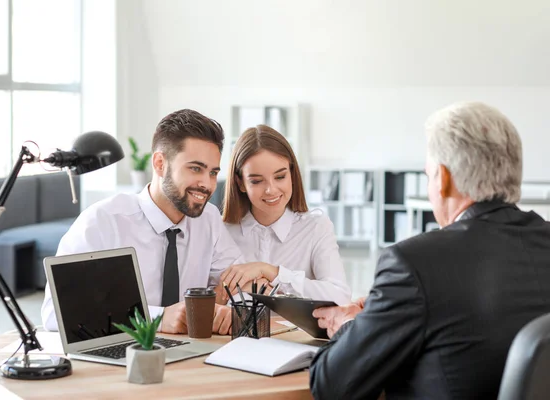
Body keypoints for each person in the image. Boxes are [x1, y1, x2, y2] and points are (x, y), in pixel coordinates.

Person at [310, 102, 550, 399]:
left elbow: (331, 387)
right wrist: (380, 315)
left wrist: (349, 327)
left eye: (428, 175)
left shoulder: (413, 264)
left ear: (443, 179)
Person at [41, 109, 243, 335]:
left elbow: (236, 283)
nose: (207, 184)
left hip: (193, 352)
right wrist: (156, 318)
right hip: (125, 354)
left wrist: (221, 308)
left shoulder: (209, 219)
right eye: (195, 168)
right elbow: (56, 314)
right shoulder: (102, 222)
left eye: (213, 173)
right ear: (159, 163)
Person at [218, 125, 352, 305]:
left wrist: (271, 272)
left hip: (297, 334)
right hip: (237, 334)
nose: (271, 190)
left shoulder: (316, 227)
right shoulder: (222, 232)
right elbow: (212, 297)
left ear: (292, 174)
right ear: (240, 183)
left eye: (280, 177)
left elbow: (340, 296)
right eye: (256, 181)